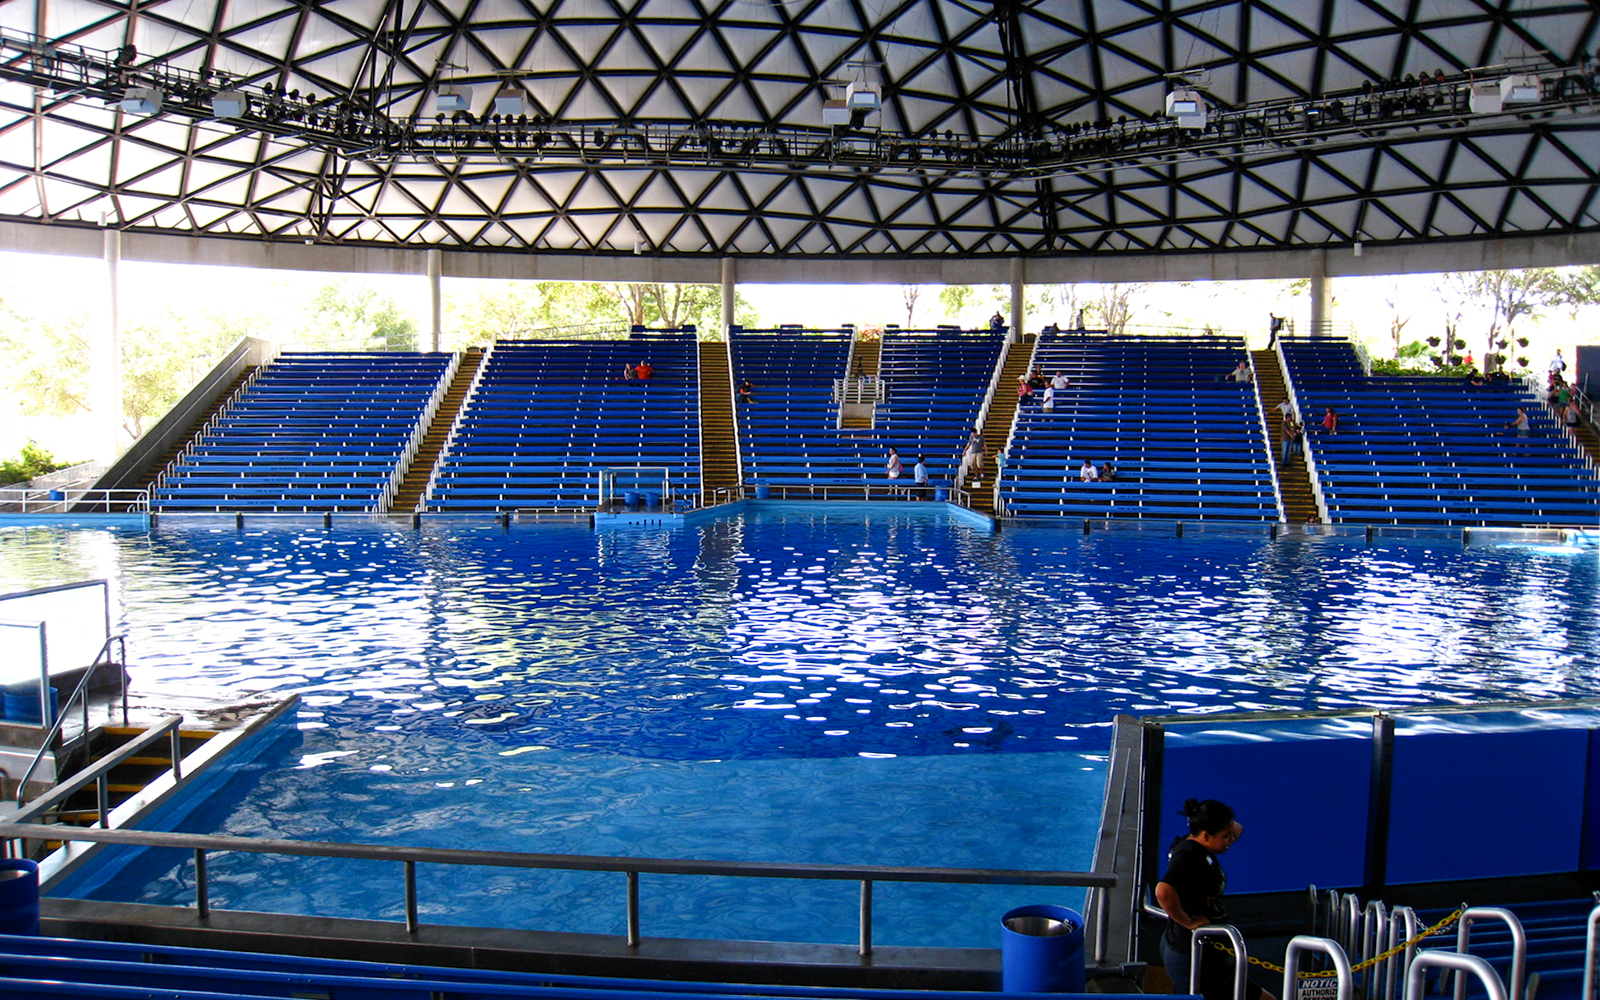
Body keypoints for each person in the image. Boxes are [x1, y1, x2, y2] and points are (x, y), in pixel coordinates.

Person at [1156, 798, 1277, 1000]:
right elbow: (1163, 891)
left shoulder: (1196, 844)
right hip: (1192, 954)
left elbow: (1238, 828)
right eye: (1226, 836)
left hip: (1209, 954)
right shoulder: (1189, 856)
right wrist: (1188, 922)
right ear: (1205, 835)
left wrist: (1226, 824)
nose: (1232, 839)